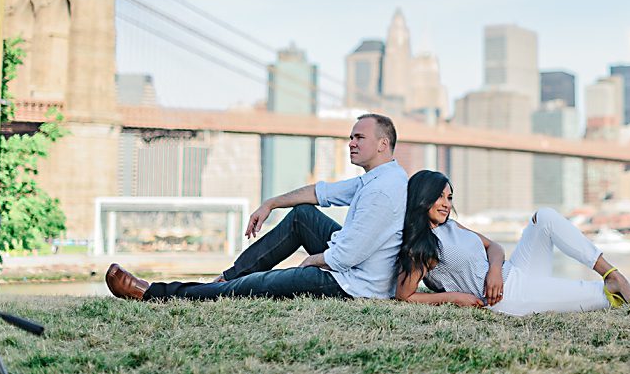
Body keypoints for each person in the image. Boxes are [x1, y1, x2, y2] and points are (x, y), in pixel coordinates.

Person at [106, 113, 408, 302]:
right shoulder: (379, 177)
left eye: (359, 137)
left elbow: (346, 257)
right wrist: (271, 203)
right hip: (354, 268)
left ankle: (152, 293)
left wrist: (311, 261)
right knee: (302, 215)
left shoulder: (382, 190)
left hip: (353, 285)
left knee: (258, 285)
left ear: (383, 144)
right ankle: (228, 278)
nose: (351, 143)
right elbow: (320, 192)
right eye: (350, 137)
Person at [395, 171, 630, 316]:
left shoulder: (453, 225)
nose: (445, 202)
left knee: (543, 216)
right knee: (602, 298)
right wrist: (456, 297)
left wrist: (495, 270)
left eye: (449, 196)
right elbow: (405, 296)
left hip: (511, 274)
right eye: (439, 196)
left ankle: (609, 270)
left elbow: (494, 247)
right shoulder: (421, 248)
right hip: (507, 299)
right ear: (421, 197)